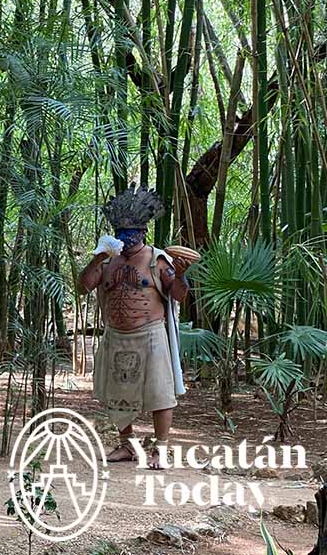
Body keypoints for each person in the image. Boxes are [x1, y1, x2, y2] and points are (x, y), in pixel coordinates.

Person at [77, 184, 195, 468]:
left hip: (150, 334)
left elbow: (179, 295)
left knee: (159, 393)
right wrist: (99, 256)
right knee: (116, 393)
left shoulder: (158, 260)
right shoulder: (107, 260)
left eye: (131, 234)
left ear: (143, 233)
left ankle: (160, 449)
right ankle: (127, 445)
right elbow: (84, 286)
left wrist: (181, 275)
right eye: (121, 234)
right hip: (116, 335)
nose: (126, 240)